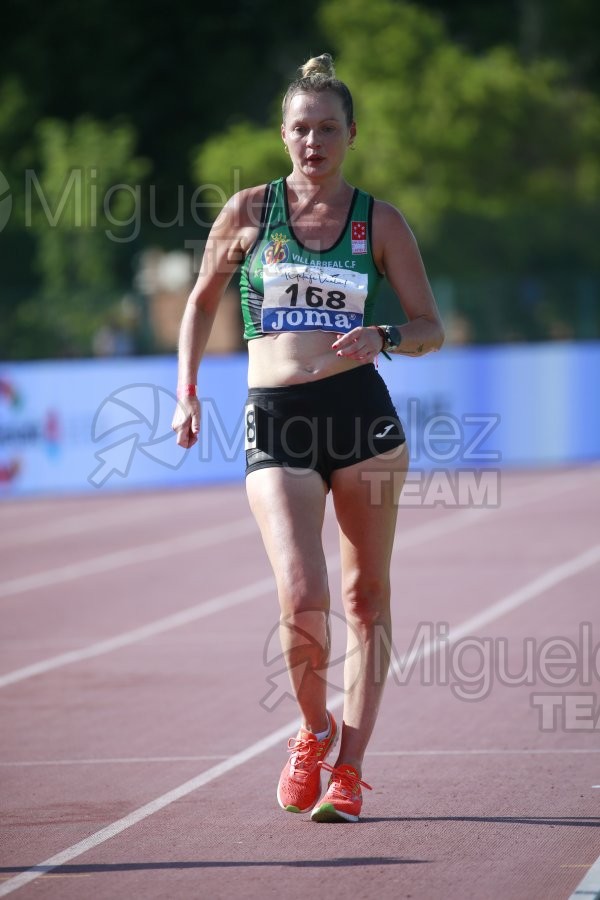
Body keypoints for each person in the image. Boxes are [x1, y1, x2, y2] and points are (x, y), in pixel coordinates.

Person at [172, 53, 444, 822]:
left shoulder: (378, 221)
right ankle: (313, 729)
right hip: (277, 418)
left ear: (351, 134)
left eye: (328, 128)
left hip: (362, 416)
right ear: (283, 134)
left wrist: (385, 334)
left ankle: (351, 769)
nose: (313, 141)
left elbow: (432, 328)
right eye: (301, 128)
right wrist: (185, 392)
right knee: (302, 595)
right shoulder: (249, 213)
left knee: (365, 597)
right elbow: (199, 302)